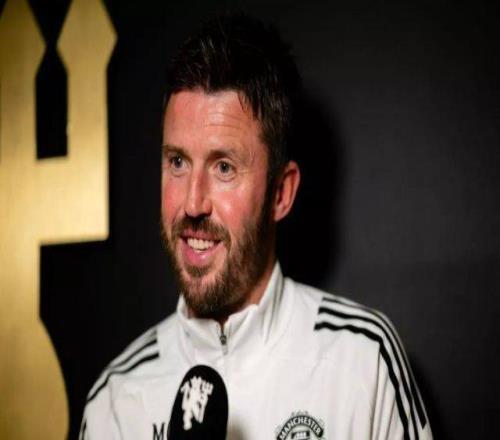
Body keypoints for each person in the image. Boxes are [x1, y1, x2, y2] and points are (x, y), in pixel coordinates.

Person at [80, 13, 433, 440]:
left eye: (224, 167)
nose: (192, 203)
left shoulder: (362, 361)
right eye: (177, 162)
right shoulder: (115, 402)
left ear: (281, 193)